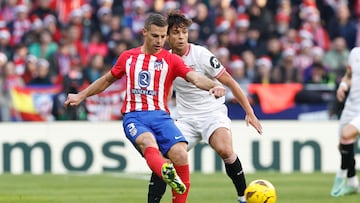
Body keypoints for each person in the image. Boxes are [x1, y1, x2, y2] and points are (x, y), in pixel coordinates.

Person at [64, 13, 226, 203]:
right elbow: (107, 80)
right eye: (155, 36)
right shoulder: (128, 57)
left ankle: (170, 179)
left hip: (161, 117)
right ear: (145, 32)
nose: (160, 41)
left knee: (180, 153)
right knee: (149, 143)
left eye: (163, 36)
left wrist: (213, 85)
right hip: (135, 117)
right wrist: (81, 95)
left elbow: (195, 77)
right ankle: (165, 171)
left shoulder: (171, 60)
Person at [147, 11, 263, 203]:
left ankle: (243, 197)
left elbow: (231, 82)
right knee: (165, 158)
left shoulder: (201, 55)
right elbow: (166, 92)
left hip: (212, 113)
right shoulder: (164, 60)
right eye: (176, 32)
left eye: (184, 32)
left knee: (225, 149)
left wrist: (250, 113)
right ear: (167, 36)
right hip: (185, 118)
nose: (181, 36)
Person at [330, 47, 360, 197]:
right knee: (343, 145)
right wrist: (343, 86)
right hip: (350, 107)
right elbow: (349, 75)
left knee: (346, 134)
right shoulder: (355, 53)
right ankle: (353, 182)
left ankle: (340, 176)